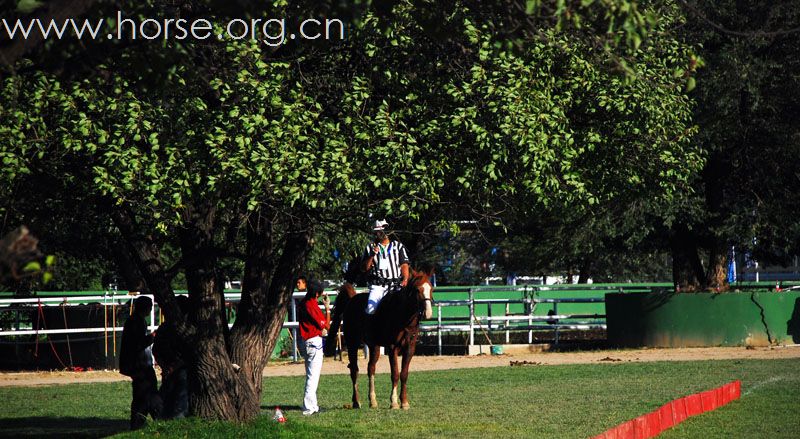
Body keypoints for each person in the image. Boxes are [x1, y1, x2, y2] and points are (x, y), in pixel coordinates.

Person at [119, 295, 162, 430]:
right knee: (146, 393)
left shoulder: (134, 320)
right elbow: (138, 344)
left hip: (138, 366)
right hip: (140, 366)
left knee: (142, 394)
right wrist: (153, 336)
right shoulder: (137, 322)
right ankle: (153, 418)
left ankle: (140, 421)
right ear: (147, 308)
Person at [361, 219, 410, 315]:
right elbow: (364, 268)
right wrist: (371, 256)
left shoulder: (398, 246)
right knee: (371, 310)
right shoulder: (370, 247)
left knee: (406, 308)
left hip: (396, 285)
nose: (381, 233)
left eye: (383, 230)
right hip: (378, 286)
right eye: (379, 231)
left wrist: (405, 278)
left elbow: (404, 264)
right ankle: (370, 329)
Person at [153, 295, 190, 419]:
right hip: (181, 368)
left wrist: (165, 366)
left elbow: (156, 349)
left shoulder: (164, 327)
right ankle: (176, 419)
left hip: (169, 368)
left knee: (167, 396)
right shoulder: (188, 329)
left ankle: (163, 418)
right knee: (180, 396)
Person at [297, 278, 330, 416]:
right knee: (313, 377)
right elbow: (326, 325)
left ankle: (313, 406)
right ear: (317, 293)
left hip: (307, 341)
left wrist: (318, 294)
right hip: (314, 342)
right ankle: (309, 407)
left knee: (311, 375)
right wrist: (327, 309)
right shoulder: (311, 305)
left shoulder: (306, 301)